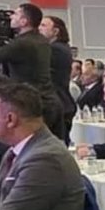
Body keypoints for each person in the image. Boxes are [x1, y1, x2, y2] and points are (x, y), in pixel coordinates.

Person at [0, 3, 61, 139]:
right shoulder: (40, 40)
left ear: (24, 21)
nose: (11, 17)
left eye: (15, 14)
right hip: (47, 99)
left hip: (32, 103)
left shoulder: (22, 43)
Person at [39, 15, 77, 144]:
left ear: (55, 31)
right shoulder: (60, 48)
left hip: (58, 104)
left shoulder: (56, 49)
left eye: (43, 25)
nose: (39, 28)